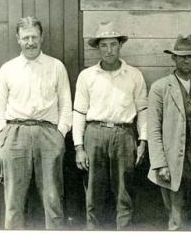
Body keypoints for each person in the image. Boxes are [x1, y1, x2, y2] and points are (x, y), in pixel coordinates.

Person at [0, 16, 72, 229]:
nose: (30, 42)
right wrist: (4, 135)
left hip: (48, 134)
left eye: (34, 37)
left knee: (53, 199)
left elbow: (66, 105)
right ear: (18, 39)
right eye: (25, 37)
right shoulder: (8, 69)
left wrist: (59, 135)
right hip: (15, 134)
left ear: (41, 37)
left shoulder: (56, 67)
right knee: (13, 202)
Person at [72, 21, 147, 229]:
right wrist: (79, 147)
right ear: (98, 48)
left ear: (120, 45)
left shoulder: (134, 75)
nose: (109, 50)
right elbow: (78, 113)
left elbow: (143, 111)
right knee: (93, 194)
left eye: (113, 44)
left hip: (124, 135)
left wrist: (142, 141)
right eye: (104, 45)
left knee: (124, 193)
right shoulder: (87, 76)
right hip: (94, 135)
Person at [147, 34, 191, 230]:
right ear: (173, 58)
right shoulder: (160, 88)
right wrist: (160, 164)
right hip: (173, 162)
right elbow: (153, 130)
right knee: (176, 219)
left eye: (190, 56)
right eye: (180, 56)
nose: (185, 60)